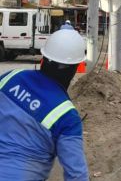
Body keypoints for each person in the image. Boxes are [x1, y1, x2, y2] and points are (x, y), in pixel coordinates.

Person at [0, 29, 89, 180]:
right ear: (75, 67)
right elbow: (76, 174)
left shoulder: (10, 77)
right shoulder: (67, 115)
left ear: (44, 57)